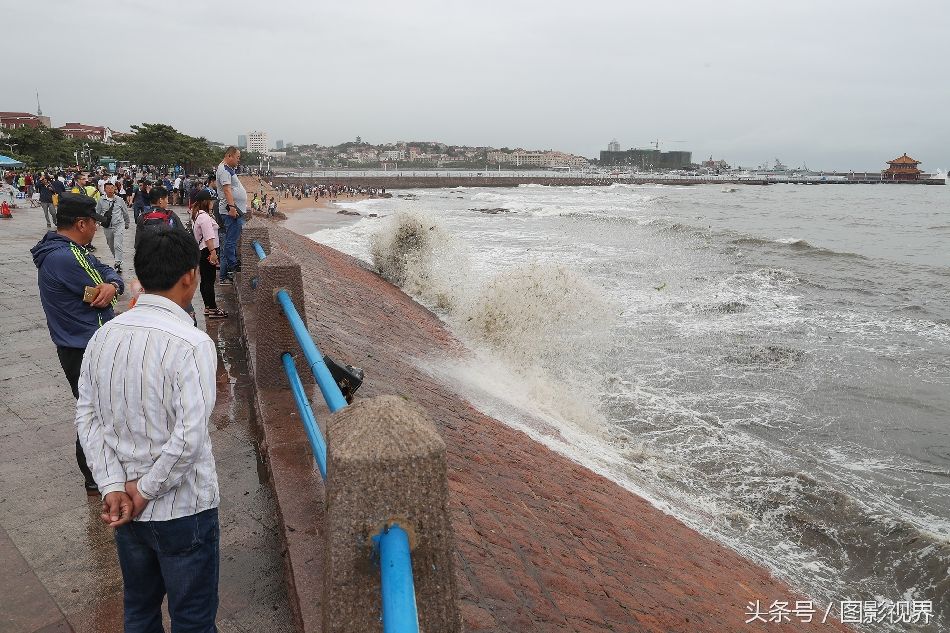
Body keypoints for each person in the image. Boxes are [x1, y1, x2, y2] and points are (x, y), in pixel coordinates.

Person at [75, 226, 220, 632]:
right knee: (192, 618)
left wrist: (113, 487)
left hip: (126, 510)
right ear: (190, 275)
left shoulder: (103, 337)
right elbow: (190, 437)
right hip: (184, 509)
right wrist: (146, 489)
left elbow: (87, 418)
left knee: (139, 610)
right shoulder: (192, 343)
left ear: (140, 273)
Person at [30, 193, 124, 494]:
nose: (96, 227)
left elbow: (107, 275)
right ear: (81, 223)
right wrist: (111, 286)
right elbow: (101, 284)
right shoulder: (67, 256)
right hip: (86, 345)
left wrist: (113, 284)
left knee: (95, 408)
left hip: (75, 344)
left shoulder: (64, 251)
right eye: (94, 222)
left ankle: (97, 472)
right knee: (98, 412)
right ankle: (96, 474)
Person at [190, 190, 226, 319]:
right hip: (207, 250)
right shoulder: (204, 217)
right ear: (205, 202)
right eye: (211, 201)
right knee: (209, 281)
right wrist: (213, 253)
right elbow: (209, 237)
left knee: (205, 280)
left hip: (202, 250)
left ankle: (207, 307)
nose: (212, 203)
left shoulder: (198, 215)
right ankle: (213, 309)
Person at [215, 147, 247, 285]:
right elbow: (227, 190)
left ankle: (231, 265)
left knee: (232, 239)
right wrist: (233, 208)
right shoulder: (224, 170)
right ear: (229, 156)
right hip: (230, 212)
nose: (239, 160)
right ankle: (233, 265)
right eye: (237, 157)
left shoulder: (228, 169)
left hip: (235, 210)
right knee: (231, 240)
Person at [96, 181, 131, 273]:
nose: (111, 189)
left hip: (118, 225)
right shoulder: (101, 200)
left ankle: (118, 262)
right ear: (104, 190)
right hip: (107, 226)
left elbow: (125, 212)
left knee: (117, 244)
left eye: (112, 188)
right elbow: (97, 213)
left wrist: (127, 223)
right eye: (108, 188)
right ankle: (117, 258)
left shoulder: (119, 200)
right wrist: (97, 223)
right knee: (111, 245)